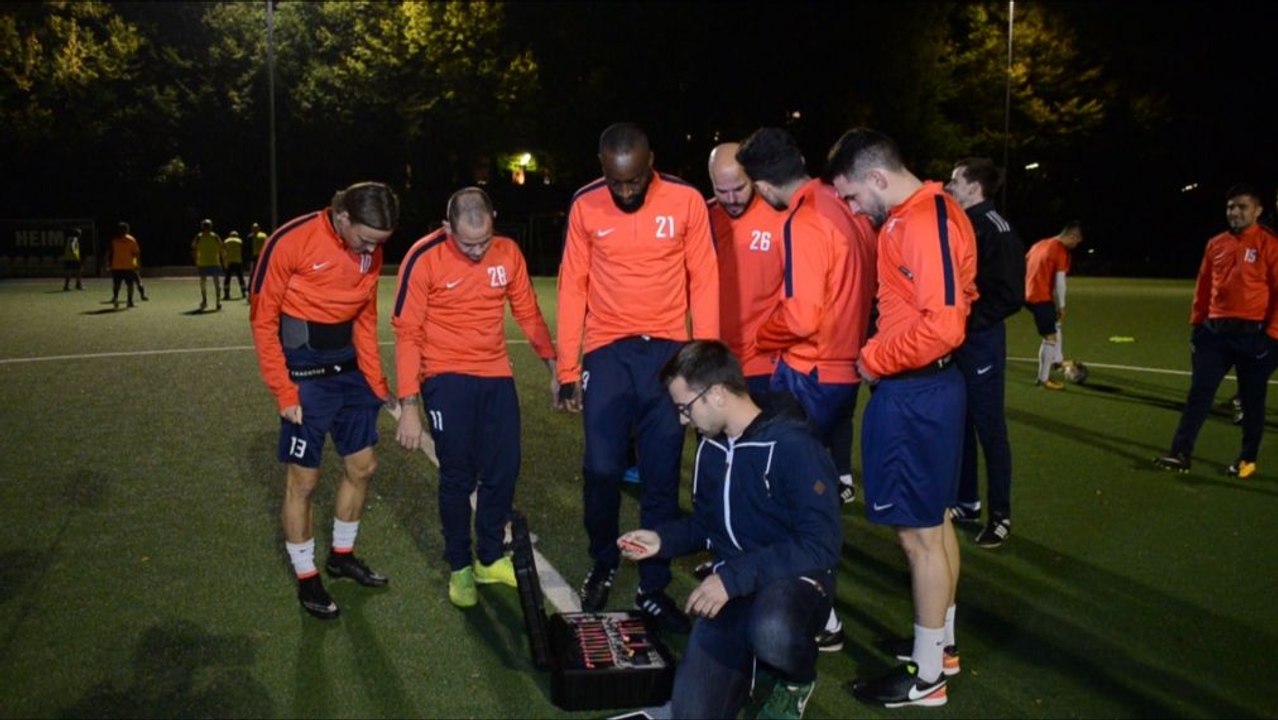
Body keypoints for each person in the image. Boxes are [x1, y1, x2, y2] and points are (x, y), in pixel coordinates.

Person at [826, 127, 978, 708]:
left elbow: (943, 325)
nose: (849, 206)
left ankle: (927, 678)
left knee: (918, 537)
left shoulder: (921, 219)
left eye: (850, 195)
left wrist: (871, 356)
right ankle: (941, 646)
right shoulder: (930, 211)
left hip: (916, 391)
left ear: (876, 178)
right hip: (927, 388)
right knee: (934, 525)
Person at [618, 340, 841, 720]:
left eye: (685, 408)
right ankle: (757, 669)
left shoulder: (794, 445)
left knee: (772, 631)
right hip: (735, 584)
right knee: (692, 713)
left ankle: (795, 679)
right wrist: (663, 540)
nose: (683, 420)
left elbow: (820, 546)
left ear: (717, 394)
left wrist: (731, 579)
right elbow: (708, 524)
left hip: (793, 580)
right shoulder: (711, 447)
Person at [555, 121, 719, 634]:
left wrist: (705, 367)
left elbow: (704, 278)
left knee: (662, 475)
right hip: (607, 353)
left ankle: (653, 586)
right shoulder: (585, 205)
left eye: (634, 181)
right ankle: (603, 559)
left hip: (669, 355)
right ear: (602, 169)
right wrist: (566, 368)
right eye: (616, 182)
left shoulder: (687, 201)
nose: (625, 192)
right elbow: (572, 286)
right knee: (602, 469)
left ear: (651, 166)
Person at [391, 187, 557, 608]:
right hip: (444, 375)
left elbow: (527, 311)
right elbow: (407, 332)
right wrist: (409, 406)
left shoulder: (507, 252)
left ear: (494, 220)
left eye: (484, 240)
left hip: (495, 372)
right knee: (457, 474)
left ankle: (487, 558)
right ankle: (460, 567)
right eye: (468, 243)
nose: (479, 250)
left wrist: (555, 365)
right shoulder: (423, 256)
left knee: (504, 468)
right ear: (447, 228)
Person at [248, 181, 399, 620]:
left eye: (380, 243)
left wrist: (376, 380)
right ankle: (307, 577)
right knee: (305, 482)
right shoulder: (290, 241)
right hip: (304, 371)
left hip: (349, 368)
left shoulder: (369, 247)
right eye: (366, 239)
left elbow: (365, 315)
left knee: (363, 466)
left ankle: (341, 555)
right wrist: (283, 389)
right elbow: (262, 319)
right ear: (343, 217)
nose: (371, 249)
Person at [736, 127, 877, 511]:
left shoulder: (803, 220)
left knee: (782, 480)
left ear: (762, 187)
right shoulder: (843, 201)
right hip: (846, 367)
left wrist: (762, 336)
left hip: (812, 372)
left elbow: (801, 319)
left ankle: (794, 562)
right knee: (815, 473)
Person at [1154, 184, 1278, 478]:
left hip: (1254, 335)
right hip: (1213, 334)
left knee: (1252, 400)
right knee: (1200, 392)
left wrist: (1271, 336)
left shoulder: (1270, 244)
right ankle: (1180, 452)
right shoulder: (1216, 243)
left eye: (1242, 207)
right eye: (1230, 207)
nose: (1234, 212)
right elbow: (1204, 285)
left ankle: (1247, 457)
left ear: (1257, 211)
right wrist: (1197, 325)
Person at [943, 158, 1026, 548]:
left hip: (980, 343)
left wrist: (966, 321)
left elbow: (1011, 296)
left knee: (990, 429)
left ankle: (1001, 515)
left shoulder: (997, 229)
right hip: (958, 341)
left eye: (956, 180)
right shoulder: (961, 222)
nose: (949, 185)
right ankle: (967, 500)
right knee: (959, 422)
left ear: (975, 187)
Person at [706, 142, 786, 398]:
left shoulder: (780, 217)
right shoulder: (702, 219)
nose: (731, 199)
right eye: (722, 191)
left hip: (765, 363)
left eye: (738, 189)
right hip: (714, 363)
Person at [1024, 221, 1084, 390]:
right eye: (1077, 241)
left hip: (1026, 294)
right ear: (1073, 236)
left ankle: (1057, 361)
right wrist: (1062, 306)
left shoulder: (1039, 244)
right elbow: (1060, 282)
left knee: (1055, 324)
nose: (1076, 245)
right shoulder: (1060, 250)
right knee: (1049, 337)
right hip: (1040, 297)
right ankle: (1043, 380)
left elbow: (1025, 265)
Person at [192, 218, 224, 311]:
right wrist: (223, 260)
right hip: (214, 262)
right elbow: (222, 248)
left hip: (203, 262)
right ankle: (217, 302)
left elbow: (194, 248)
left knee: (203, 282)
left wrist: (195, 260)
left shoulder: (199, 236)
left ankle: (205, 301)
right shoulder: (215, 236)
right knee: (216, 282)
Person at [107, 222, 141, 308]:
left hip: (119, 266)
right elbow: (136, 253)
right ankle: (128, 301)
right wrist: (136, 263)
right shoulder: (131, 240)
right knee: (128, 285)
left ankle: (117, 299)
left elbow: (110, 253)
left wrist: (109, 264)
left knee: (118, 284)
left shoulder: (115, 240)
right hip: (126, 266)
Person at [222, 230, 248, 300]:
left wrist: (224, 262)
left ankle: (226, 294)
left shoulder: (226, 241)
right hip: (238, 261)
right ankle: (243, 293)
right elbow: (243, 251)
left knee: (227, 278)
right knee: (240, 278)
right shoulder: (239, 241)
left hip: (229, 261)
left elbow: (224, 252)